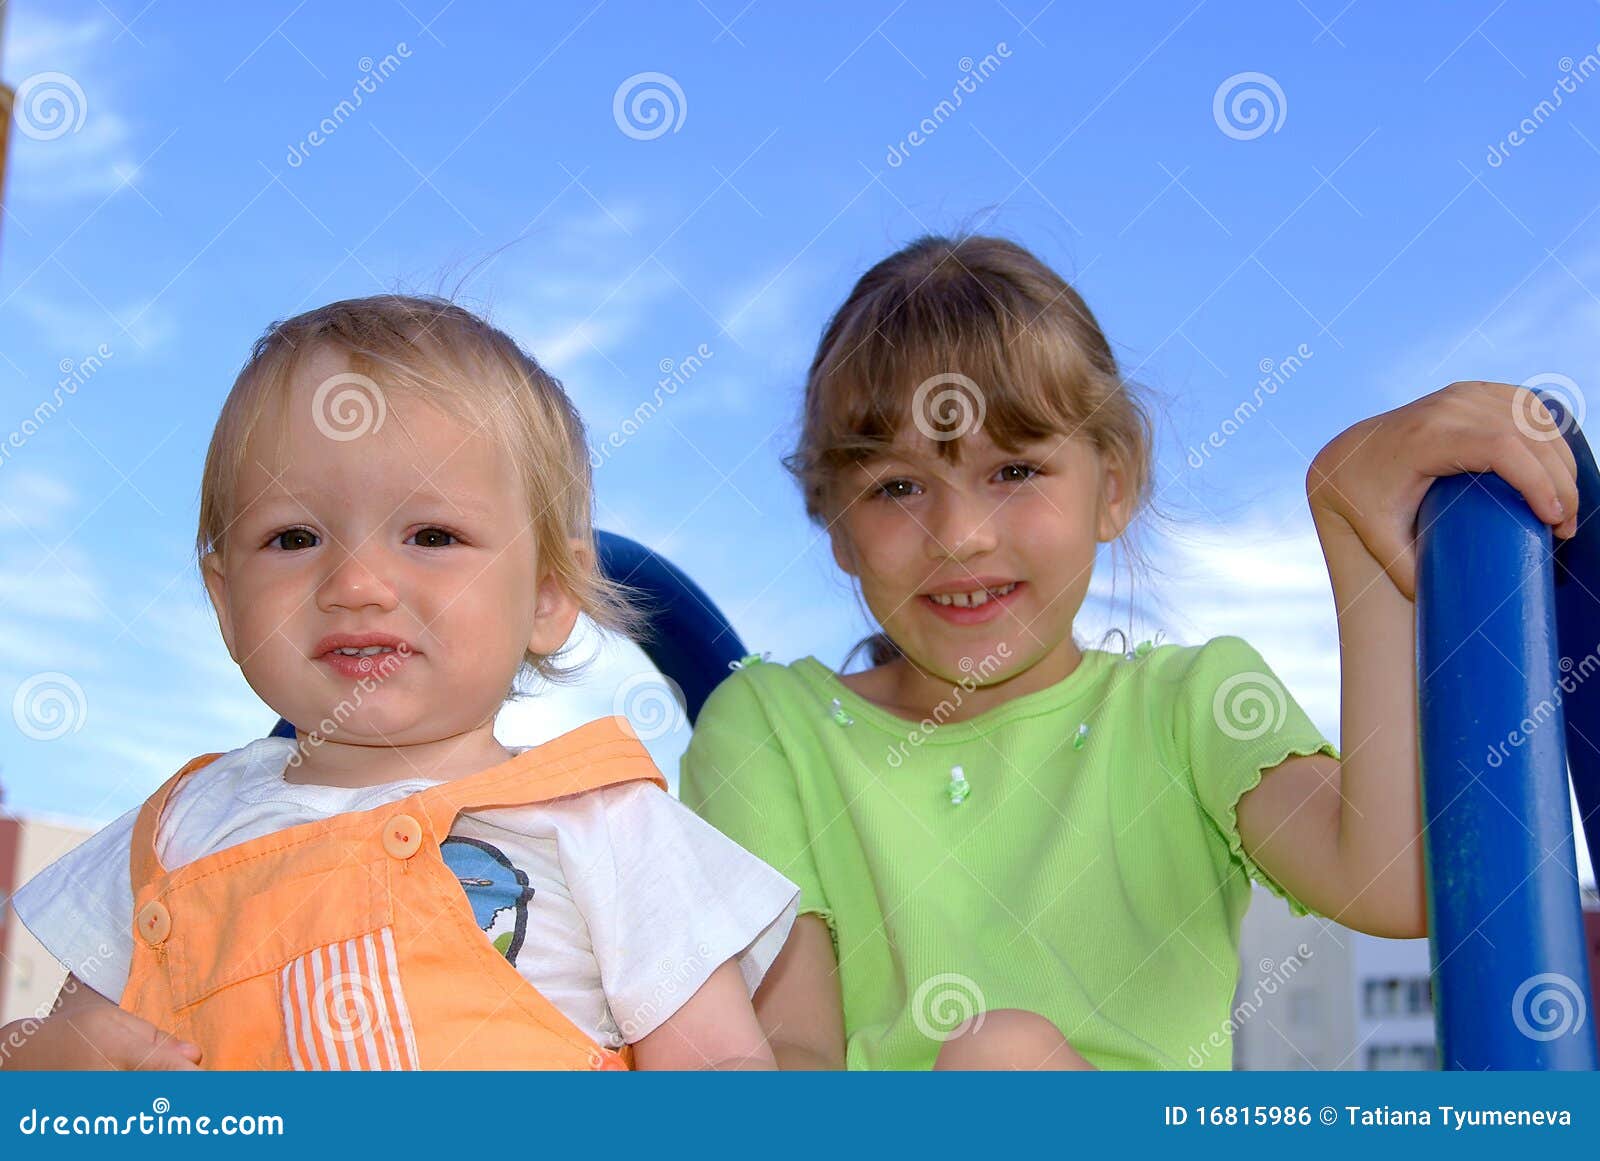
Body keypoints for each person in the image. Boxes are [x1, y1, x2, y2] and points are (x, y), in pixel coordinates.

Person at [680, 234, 1580, 1070]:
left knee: (1005, 1059)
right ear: (836, 524)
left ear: (1114, 484)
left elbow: (1395, 884)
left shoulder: (1190, 706)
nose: (957, 535)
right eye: (897, 486)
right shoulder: (770, 729)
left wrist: (1353, 527)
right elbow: (786, 1054)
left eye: (1014, 471)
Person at [2, 295, 797, 1071]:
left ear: (549, 596)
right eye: (294, 536)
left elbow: (718, 1067)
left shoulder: (612, 824)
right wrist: (54, 1060)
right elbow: (73, 1052)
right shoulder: (171, 834)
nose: (356, 582)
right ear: (226, 600)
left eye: (431, 534)